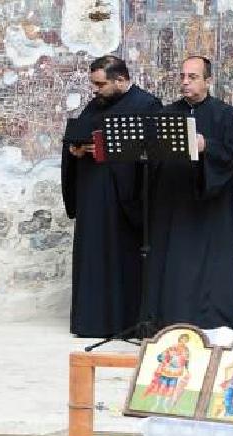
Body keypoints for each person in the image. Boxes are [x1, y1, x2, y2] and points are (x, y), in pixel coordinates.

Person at [61, 55, 162, 338]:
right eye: (93, 84)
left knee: (122, 258)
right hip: (92, 194)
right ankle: (91, 322)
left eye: (100, 84)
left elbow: (154, 154)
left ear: (120, 80)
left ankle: (123, 321)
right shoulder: (97, 104)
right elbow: (77, 136)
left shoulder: (147, 105)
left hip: (123, 199)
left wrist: (112, 153)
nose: (95, 90)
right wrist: (76, 150)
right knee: (92, 257)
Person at [147, 56, 233, 331]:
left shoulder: (226, 115)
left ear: (208, 81)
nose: (185, 82)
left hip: (212, 206)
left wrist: (207, 147)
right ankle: (171, 319)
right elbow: (152, 156)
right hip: (174, 202)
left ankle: (212, 321)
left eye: (192, 77)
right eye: (182, 76)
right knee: (175, 263)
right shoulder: (166, 114)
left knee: (213, 264)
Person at [143, 333, 191, 412]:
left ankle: (165, 405)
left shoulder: (186, 350)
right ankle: (157, 404)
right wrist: (165, 361)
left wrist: (187, 369)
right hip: (166, 370)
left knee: (171, 389)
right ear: (180, 338)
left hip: (176, 372)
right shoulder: (173, 347)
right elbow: (161, 356)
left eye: (186, 339)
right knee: (162, 387)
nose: (184, 340)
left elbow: (186, 361)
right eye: (183, 339)